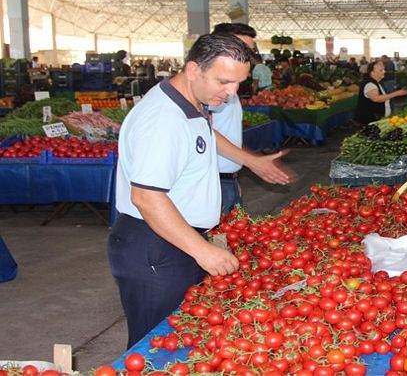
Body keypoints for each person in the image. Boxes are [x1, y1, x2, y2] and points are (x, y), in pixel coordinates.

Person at [108, 33, 293, 348]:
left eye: (239, 83)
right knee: (155, 344)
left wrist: (251, 161)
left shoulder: (190, 101)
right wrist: (202, 250)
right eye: (224, 82)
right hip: (155, 243)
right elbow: (146, 198)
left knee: (183, 336)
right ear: (193, 70)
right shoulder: (163, 121)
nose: (232, 92)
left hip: (177, 237)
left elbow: (205, 133)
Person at [210, 22, 259, 216]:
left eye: (250, 51)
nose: (249, 57)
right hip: (213, 181)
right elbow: (204, 131)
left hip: (225, 179)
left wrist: (233, 177)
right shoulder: (211, 88)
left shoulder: (229, 85)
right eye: (243, 50)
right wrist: (252, 161)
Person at [354, 60, 407, 124]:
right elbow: (376, 99)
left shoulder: (377, 82)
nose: (384, 72)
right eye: (381, 70)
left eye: (384, 69)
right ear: (372, 73)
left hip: (376, 119)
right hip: (370, 121)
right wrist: (396, 93)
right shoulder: (370, 84)